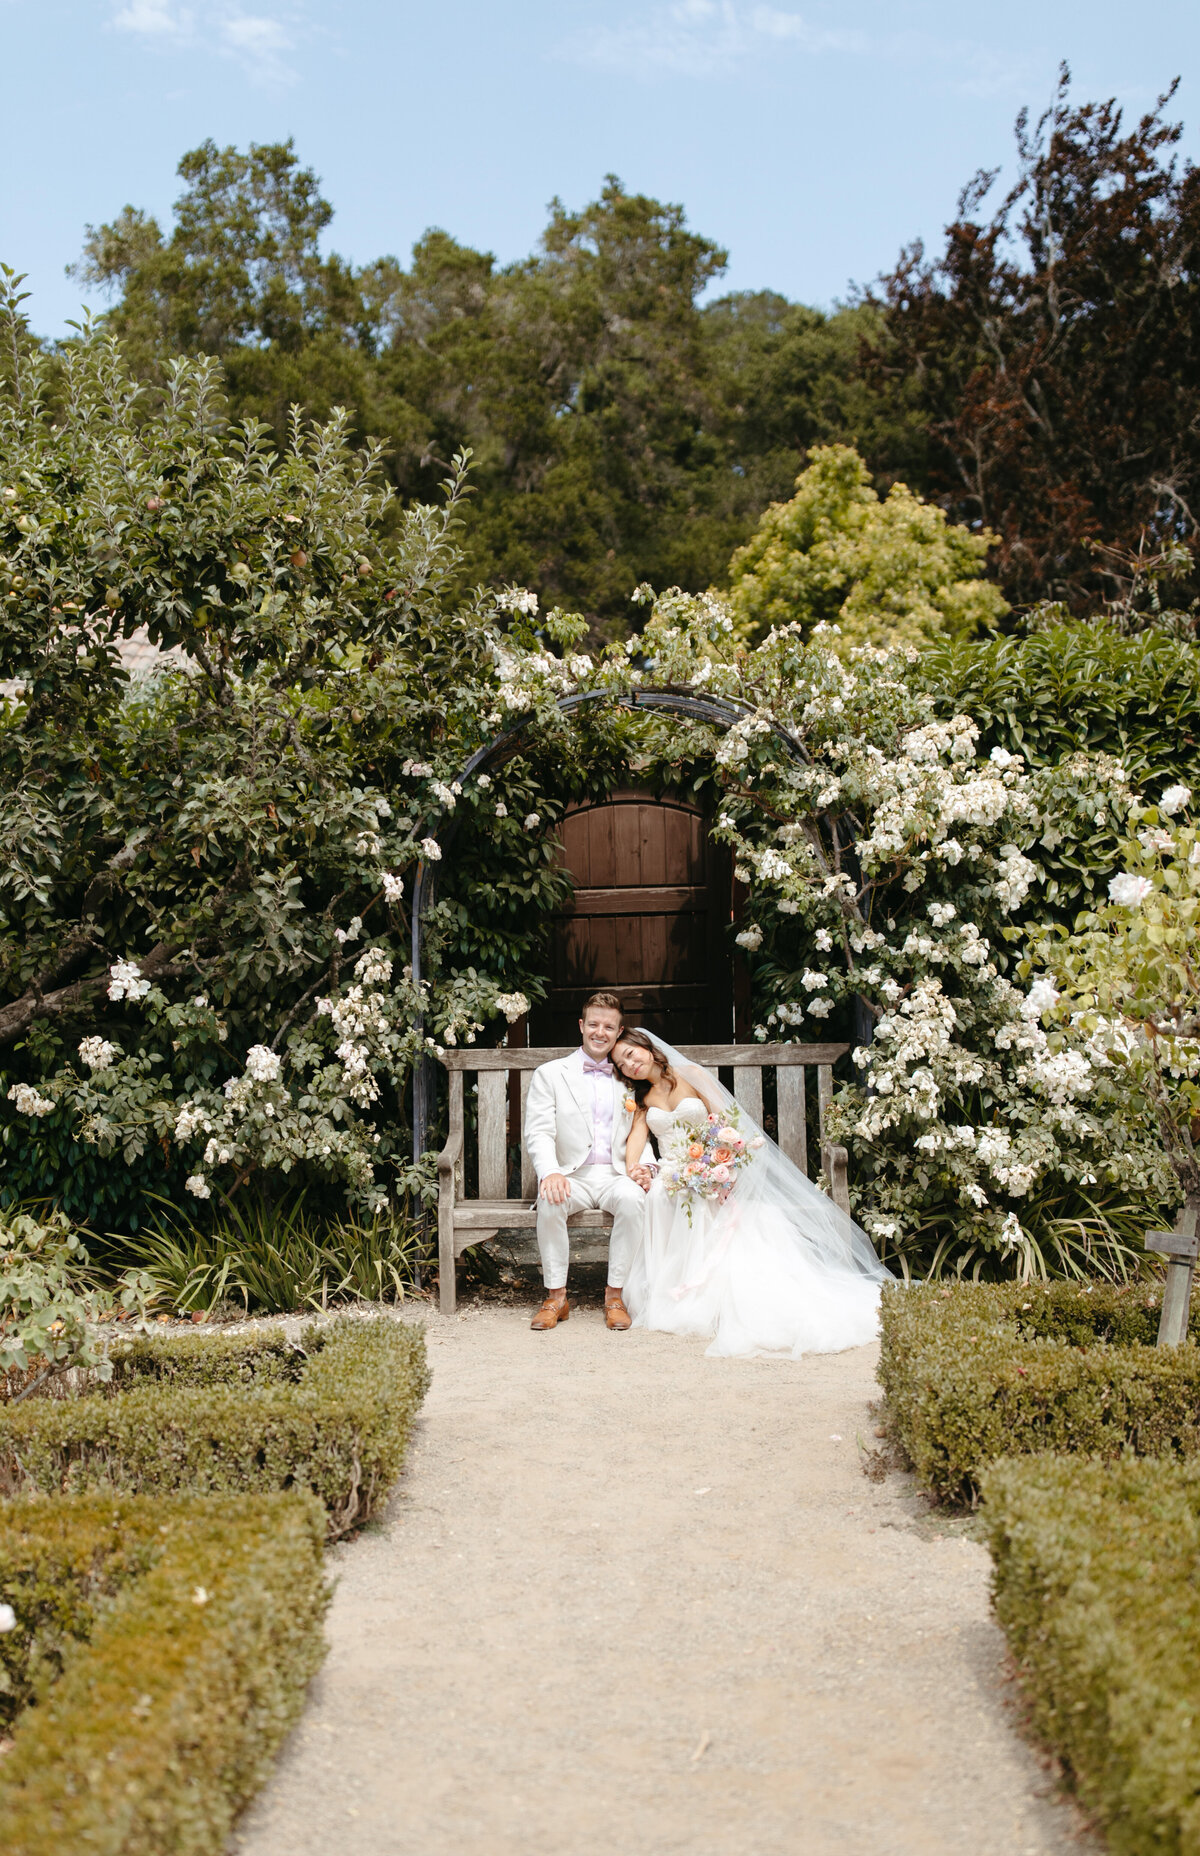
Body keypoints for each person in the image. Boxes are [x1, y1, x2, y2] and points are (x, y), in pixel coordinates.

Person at [613, 1028, 889, 1358]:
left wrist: (720, 1167)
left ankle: (710, 1290)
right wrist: (635, 1168)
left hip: (712, 1165)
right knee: (661, 1195)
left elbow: (725, 1121)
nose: (629, 1065)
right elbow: (636, 1139)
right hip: (674, 1171)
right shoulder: (642, 1098)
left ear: (647, 1047)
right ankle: (676, 1288)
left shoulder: (692, 1075)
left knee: (699, 1199)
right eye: (621, 1064)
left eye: (631, 1054)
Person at [522, 992, 652, 1332]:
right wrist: (550, 1171)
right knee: (551, 1199)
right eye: (593, 1024)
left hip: (615, 1172)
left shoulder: (628, 1075)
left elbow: (643, 1128)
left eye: (608, 1027)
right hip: (572, 1173)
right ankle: (557, 1296)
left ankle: (614, 1296)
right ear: (581, 1026)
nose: (600, 1032)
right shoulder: (551, 1074)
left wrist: (645, 1168)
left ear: (619, 1031)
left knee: (633, 1199)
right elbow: (538, 1131)